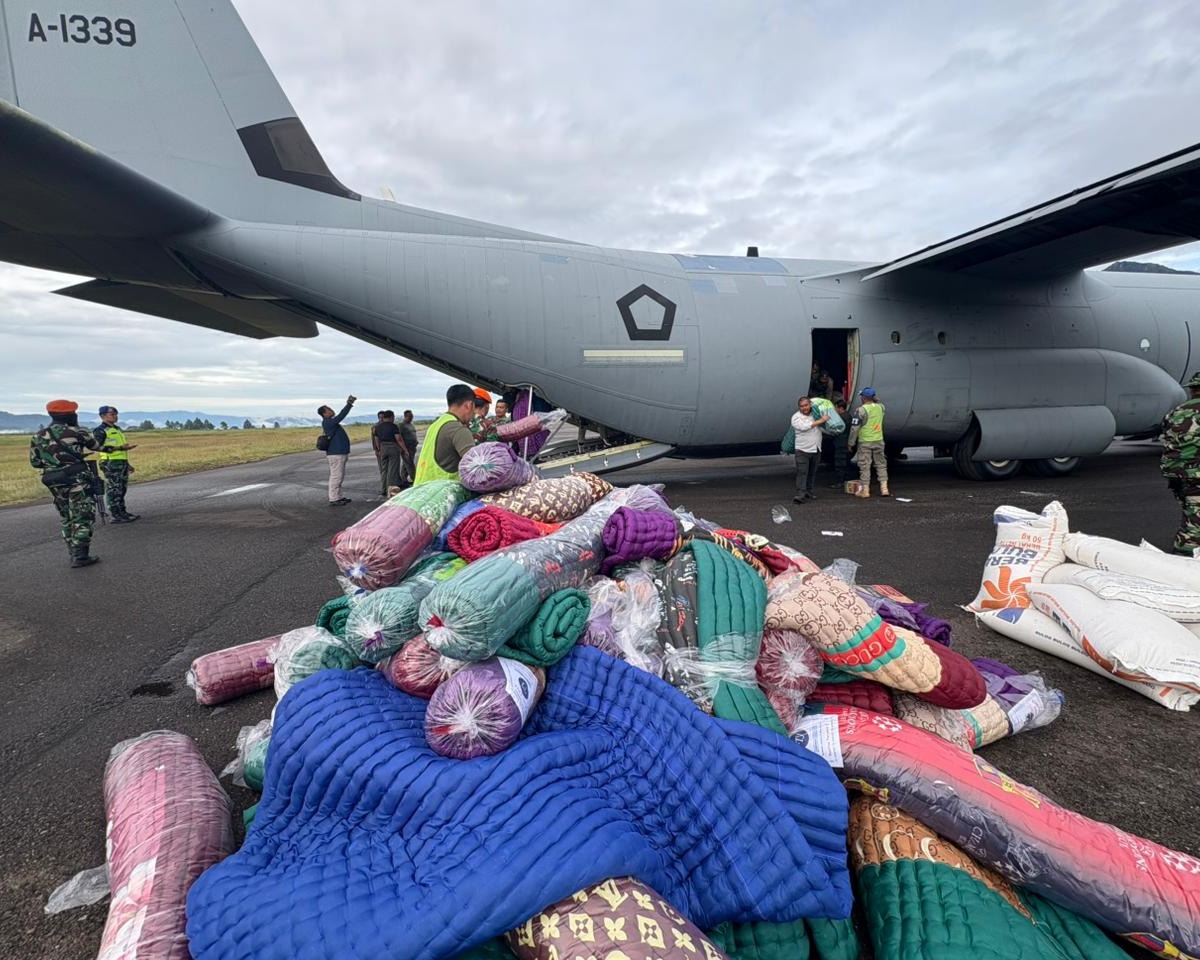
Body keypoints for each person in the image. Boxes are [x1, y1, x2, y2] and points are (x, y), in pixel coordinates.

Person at [29, 399, 105, 567]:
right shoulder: (78, 432)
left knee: (66, 516)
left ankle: (72, 552)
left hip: (53, 480)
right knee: (82, 514)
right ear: (71, 414)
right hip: (77, 478)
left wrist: (56, 463)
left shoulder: (38, 436)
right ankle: (81, 556)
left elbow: (35, 462)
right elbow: (96, 446)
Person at [1161, 372, 1200, 554]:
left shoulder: (1176, 411)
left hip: (1175, 473)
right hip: (1195, 473)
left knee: (1190, 513)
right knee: (1195, 524)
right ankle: (1185, 554)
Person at [414, 384, 477, 485]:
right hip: (442, 495)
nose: (474, 413)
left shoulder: (436, 424)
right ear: (469, 405)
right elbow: (476, 467)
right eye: (474, 407)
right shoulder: (459, 430)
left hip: (420, 491)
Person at [93, 405, 139, 522]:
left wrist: (127, 463)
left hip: (120, 462)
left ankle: (122, 512)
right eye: (112, 414)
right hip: (110, 462)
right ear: (103, 416)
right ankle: (115, 514)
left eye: (116, 414)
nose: (115, 417)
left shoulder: (117, 429)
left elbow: (122, 450)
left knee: (121, 488)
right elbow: (98, 447)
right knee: (113, 489)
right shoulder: (100, 430)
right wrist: (119, 448)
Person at [848, 387, 889, 498]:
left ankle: (865, 490)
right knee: (881, 464)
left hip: (865, 442)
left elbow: (854, 428)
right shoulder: (881, 407)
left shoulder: (860, 410)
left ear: (864, 398)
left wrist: (851, 443)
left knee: (865, 465)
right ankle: (884, 488)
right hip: (879, 440)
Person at [318, 395, 356, 505]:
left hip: (338, 453)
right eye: (328, 410)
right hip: (336, 454)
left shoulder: (330, 422)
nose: (331, 410)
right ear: (324, 414)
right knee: (336, 476)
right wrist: (349, 404)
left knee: (339, 475)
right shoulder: (329, 422)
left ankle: (338, 496)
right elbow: (341, 416)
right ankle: (334, 498)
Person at [790, 396, 829, 503]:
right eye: (802, 406)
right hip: (802, 450)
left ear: (810, 405)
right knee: (802, 472)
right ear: (799, 407)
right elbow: (804, 427)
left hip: (816, 449)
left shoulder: (815, 415)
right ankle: (800, 494)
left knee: (812, 472)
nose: (804, 408)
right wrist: (821, 420)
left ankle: (809, 492)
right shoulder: (796, 417)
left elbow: (822, 428)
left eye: (806, 405)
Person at [372, 410, 406, 498]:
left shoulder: (377, 427)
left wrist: (379, 448)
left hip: (383, 447)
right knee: (393, 470)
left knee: (384, 470)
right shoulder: (393, 426)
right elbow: (398, 439)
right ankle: (391, 491)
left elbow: (376, 439)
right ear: (391, 417)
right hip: (392, 447)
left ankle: (383, 489)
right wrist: (404, 449)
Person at [827, 398, 852, 487]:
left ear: (840, 408)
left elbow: (836, 430)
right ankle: (846, 480)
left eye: (836, 408)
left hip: (840, 443)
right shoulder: (849, 416)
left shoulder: (840, 418)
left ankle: (840, 482)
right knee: (846, 462)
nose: (835, 410)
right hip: (846, 442)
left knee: (840, 463)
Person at [398, 409, 418, 486]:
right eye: (410, 416)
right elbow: (399, 437)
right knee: (410, 464)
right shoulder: (401, 425)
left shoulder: (411, 425)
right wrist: (403, 449)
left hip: (412, 447)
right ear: (406, 416)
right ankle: (415, 478)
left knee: (406, 464)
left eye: (412, 416)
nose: (411, 418)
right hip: (406, 448)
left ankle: (403, 479)